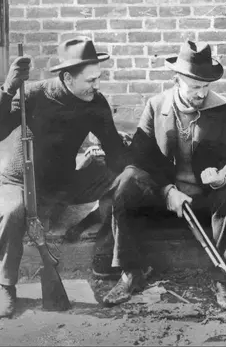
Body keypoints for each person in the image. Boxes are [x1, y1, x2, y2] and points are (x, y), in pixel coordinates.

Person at [101, 40, 226, 311]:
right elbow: (138, 158)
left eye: (206, 86)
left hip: (204, 202)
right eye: (195, 87)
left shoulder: (223, 110)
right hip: (163, 200)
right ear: (176, 79)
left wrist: (223, 176)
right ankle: (131, 272)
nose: (202, 94)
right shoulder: (156, 106)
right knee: (127, 181)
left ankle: (222, 277)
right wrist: (167, 191)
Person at [0, 36, 131, 318]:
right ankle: (6, 286)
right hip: (20, 181)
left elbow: (116, 153)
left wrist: (135, 166)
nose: (97, 86)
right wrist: (8, 90)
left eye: (98, 78)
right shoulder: (33, 94)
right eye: (90, 80)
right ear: (68, 78)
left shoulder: (95, 102)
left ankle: (108, 259)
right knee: (12, 212)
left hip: (63, 183)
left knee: (123, 179)